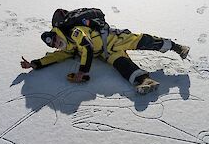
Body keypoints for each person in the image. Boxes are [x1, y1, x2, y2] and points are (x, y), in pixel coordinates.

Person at [21, 24, 190, 94]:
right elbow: (56, 57)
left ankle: (177, 47)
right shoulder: (68, 46)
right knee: (122, 65)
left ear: (57, 34)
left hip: (113, 39)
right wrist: (35, 63)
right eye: (55, 45)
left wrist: (82, 72)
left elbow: (86, 46)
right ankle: (146, 82)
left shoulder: (75, 32)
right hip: (106, 52)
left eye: (57, 40)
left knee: (144, 41)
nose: (58, 45)